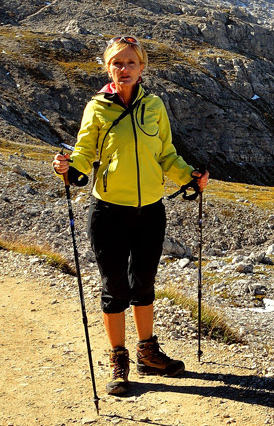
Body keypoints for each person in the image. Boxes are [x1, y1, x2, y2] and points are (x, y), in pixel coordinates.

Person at [53, 35, 209, 396]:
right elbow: (83, 152)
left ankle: (148, 353)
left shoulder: (154, 106)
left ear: (142, 69)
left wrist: (190, 176)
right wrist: (66, 167)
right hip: (108, 211)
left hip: (150, 210)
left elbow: (166, 153)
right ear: (108, 67)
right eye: (117, 63)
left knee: (143, 283)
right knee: (115, 288)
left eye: (131, 63)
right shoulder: (97, 107)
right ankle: (118, 360)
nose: (124, 69)